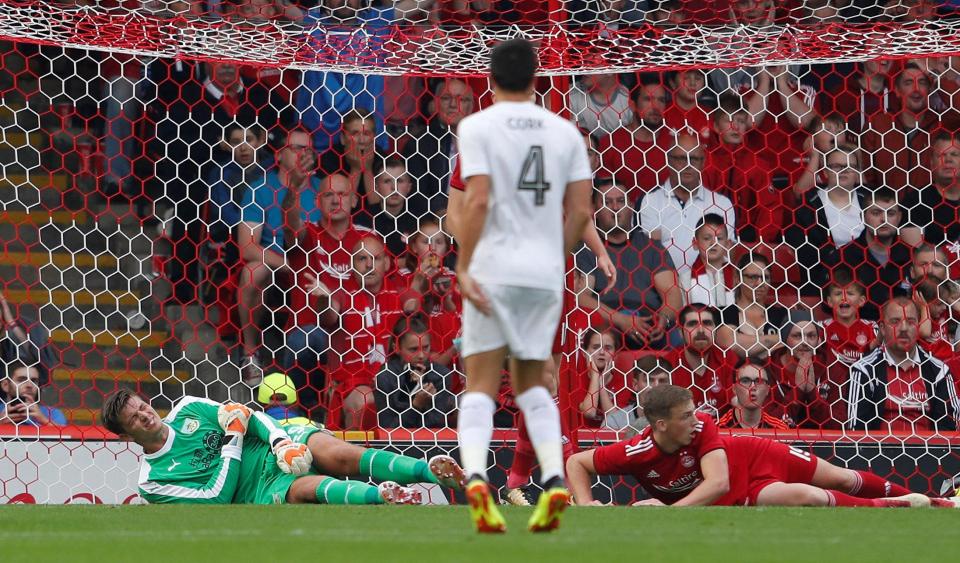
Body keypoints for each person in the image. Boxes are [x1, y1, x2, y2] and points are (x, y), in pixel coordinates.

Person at [447, 38, 593, 533]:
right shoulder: (565, 133)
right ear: (537, 78)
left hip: (492, 269)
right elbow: (580, 212)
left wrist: (466, 265)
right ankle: (553, 481)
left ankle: (476, 479)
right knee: (535, 384)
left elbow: (479, 200)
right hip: (543, 274)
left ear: (489, 77)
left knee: (482, 386)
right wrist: (556, 257)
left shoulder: (477, 126)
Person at [566, 384, 940, 508]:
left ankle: (934, 501)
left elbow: (717, 483)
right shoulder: (636, 452)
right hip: (746, 493)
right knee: (807, 497)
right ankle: (896, 507)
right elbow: (577, 463)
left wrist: (668, 511)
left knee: (840, 477)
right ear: (660, 425)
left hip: (754, 454)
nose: (696, 418)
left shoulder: (703, 427)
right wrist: (586, 504)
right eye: (686, 415)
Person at [100, 389, 464, 505]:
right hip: (253, 489)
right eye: (134, 419)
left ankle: (427, 471)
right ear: (126, 436)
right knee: (306, 489)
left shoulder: (187, 408)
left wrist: (281, 444)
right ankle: (385, 496)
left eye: (142, 406)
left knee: (335, 453)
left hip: (271, 449)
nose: (145, 416)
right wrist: (233, 438)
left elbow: (247, 415)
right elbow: (215, 498)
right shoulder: (152, 483)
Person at [237, 127, 323, 383]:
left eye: (307, 148)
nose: (302, 154)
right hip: (277, 265)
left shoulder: (324, 189)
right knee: (252, 272)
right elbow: (248, 246)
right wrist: (289, 265)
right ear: (280, 155)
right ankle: (250, 352)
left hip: (317, 265)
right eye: (295, 148)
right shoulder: (260, 189)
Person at [575, 179, 683, 350]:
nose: (616, 208)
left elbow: (672, 293)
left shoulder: (651, 247)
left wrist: (664, 319)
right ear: (594, 209)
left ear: (632, 206)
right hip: (607, 325)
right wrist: (620, 319)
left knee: (677, 338)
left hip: (650, 323)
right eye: (607, 202)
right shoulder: (586, 249)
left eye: (621, 201)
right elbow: (581, 296)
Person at [848, 297, 960, 432]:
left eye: (911, 321)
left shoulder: (938, 370)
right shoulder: (864, 369)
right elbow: (856, 432)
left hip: (929, 452)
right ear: (882, 329)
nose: (904, 328)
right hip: (879, 452)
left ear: (919, 326)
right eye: (895, 322)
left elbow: (949, 429)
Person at [638, 132, 737, 273]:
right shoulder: (651, 201)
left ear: (703, 163)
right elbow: (650, 254)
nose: (688, 165)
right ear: (668, 160)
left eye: (694, 159)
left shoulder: (721, 204)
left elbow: (727, 254)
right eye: (681, 158)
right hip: (663, 287)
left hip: (709, 286)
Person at [375, 314, 456, 429]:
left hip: (431, 443)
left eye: (426, 347)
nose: (421, 355)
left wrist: (427, 403)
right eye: (413, 349)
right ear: (396, 348)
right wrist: (416, 406)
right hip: (395, 445)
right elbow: (388, 429)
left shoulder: (441, 375)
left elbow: (435, 427)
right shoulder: (386, 377)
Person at [664, 303, 738, 416]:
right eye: (692, 324)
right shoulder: (667, 364)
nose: (701, 330)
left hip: (723, 429)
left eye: (707, 323)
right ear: (680, 332)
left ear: (715, 330)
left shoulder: (728, 358)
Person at [716, 252, 789, 359]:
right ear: (738, 279)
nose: (760, 283)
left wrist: (748, 342)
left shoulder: (781, 314)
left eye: (766, 277)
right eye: (752, 277)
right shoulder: (724, 312)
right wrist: (780, 337)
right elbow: (731, 344)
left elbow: (795, 343)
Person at [680, 214, 736, 308]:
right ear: (695, 243)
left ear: (728, 244)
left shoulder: (737, 276)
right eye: (707, 238)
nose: (713, 243)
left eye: (719, 238)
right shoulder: (685, 279)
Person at [717, 358, 791, 430]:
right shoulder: (719, 429)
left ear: (768, 389)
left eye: (759, 381)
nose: (752, 387)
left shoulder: (779, 429)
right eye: (745, 381)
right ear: (734, 388)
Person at [0, 363, 66, 426]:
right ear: (5, 385)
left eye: (34, 381)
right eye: (21, 380)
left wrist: (43, 420)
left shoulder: (53, 414)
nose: (29, 385)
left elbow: (65, 435)